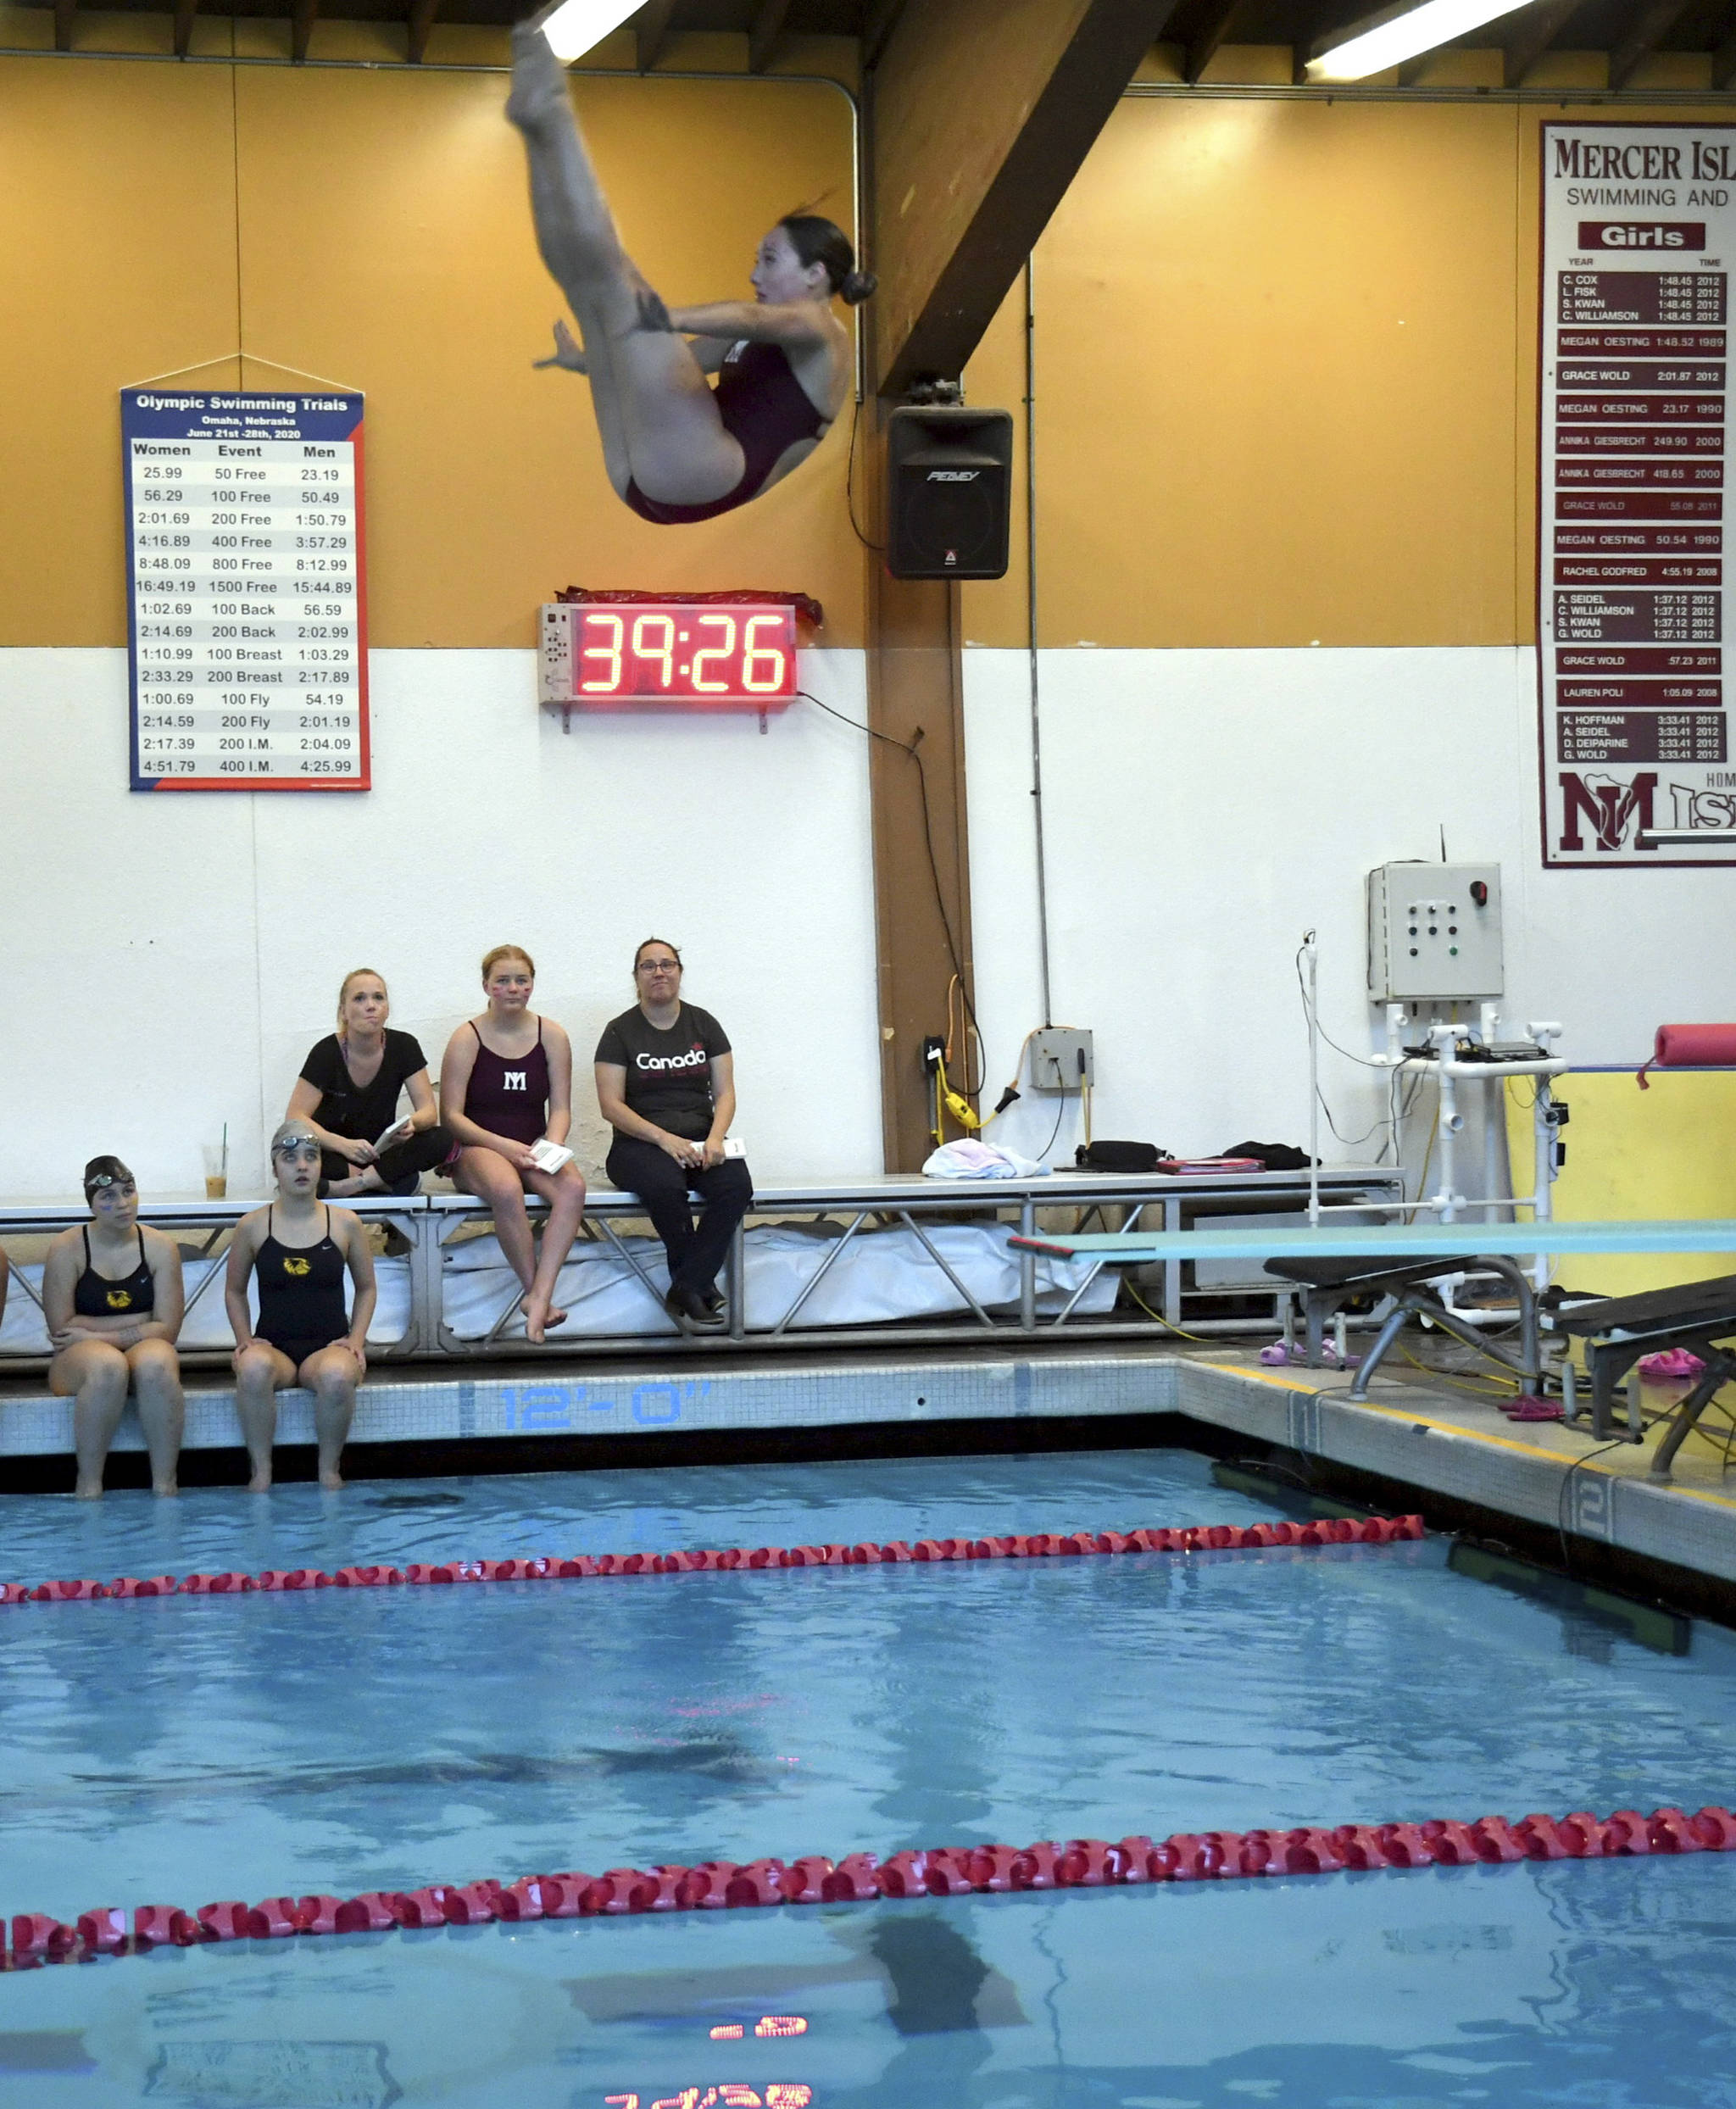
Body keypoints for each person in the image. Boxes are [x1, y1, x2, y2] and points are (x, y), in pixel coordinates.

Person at [509, 21, 874, 525]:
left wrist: (667, 317)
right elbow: (667, 363)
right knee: (586, 285)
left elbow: (751, 318)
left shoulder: (823, 333)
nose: (754, 274)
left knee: (619, 279)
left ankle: (554, 113)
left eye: (769, 259)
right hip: (652, 482)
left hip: (702, 471)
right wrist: (586, 364)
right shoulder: (756, 340)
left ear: (815, 275)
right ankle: (538, 135)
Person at [594, 938, 753, 1332]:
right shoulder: (619, 1031)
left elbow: (726, 1092)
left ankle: (687, 1285)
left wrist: (716, 1139)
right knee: (666, 1186)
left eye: (667, 964)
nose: (659, 972)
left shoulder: (704, 1024)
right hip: (639, 1145)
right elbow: (610, 1106)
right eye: (649, 966)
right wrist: (664, 1139)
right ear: (636, 977)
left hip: (701, 1140)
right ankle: (699, 1285)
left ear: (680, 972)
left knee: (735, 1185)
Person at [439, 945, 587, 1344]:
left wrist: (551, 1147)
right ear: (487, 985)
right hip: (479, 1148)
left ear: (532, 984)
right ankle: (532, 1291)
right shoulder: (466, 1038)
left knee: (573, 1188)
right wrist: (504, 1147)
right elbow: (451, 1117)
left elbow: (560, 1108)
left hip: (531, 1147)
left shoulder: (552, 1035)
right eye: (503, 981)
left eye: (522, 980)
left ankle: (540, 1297)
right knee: (505, 1188)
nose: (513, 988)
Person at [225, 1121, 376, 1491]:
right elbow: (234, 1291)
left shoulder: (345, 1223)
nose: (302, 1166)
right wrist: (244, 1339)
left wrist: (356, 1340)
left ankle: (329, 1470)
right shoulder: (253, 1226)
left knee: (339, 1376)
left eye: (311, 1157)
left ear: (322, 1166)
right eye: (290, 1159)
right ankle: (261, 1472)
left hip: (328, 1348)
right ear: (275, 1168)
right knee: (254, 1367)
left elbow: (367, 1287)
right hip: (273, 1347)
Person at [42, 1157, 185, 1499]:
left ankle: (166, 1485)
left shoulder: (160, 1248)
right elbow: (62, 1329)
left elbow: (168, 1330)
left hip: (117, 1345)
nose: (122, 1204)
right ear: (91, 1204)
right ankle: (88, 1486)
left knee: (157, 1362)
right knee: (108, 1366)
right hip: (76, 1360)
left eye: (128, 1191)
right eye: (107, 1196)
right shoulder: (68, 1248)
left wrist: (97, 1333)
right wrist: (143, 1319)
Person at [286, 967, 457, 1198]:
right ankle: (387, 1182)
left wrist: (412, 1124)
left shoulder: (404, 1046)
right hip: (334, 1151)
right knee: (292, 1151)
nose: (370, 1005)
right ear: (343, 1011)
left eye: (378, 997)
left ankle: (348, 1186)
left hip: (379, 1152)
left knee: (441, 1139)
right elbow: (296, 1117)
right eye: (359, 998)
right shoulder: (326, 1052)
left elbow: (428, 1111)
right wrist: (343, 1145)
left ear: (387, 1009)